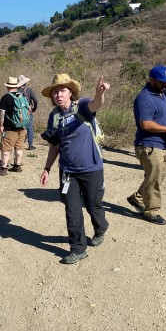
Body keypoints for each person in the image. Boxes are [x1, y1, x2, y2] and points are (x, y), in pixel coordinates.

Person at [39, 74, 110, 265]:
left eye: (62, 90)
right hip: (68, 171)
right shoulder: (54, 116)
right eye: (55, 92)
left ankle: (101, 227)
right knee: (72, 210)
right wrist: (47, 168)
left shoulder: (82, 106)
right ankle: (78, 249)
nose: (58, 94)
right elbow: (54, 145)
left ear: (70, 92)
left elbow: (96, 104)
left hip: (92, 167)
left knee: (93, 203)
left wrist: (99, 93)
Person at [127, 65, 166, 225]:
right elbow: (146, 124)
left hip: (160, 145)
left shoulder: (161, 94)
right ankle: (151, 211)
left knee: (158, 176)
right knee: (154, 178)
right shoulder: (145, 98)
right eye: (162, 82)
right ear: (152, 80)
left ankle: (137, 197)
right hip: (148, 145)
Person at [0, 77, 29, 175]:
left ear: (8, 86)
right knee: (19, 147)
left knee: (6, 148)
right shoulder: (23, 96)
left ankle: (3, 168)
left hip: (9, 128)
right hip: (22, 127)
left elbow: (1, 113)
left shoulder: (5, 98)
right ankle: (17, 166)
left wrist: (1, 125)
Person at [17, 74, 39, 150]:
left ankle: (18, 144)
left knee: (19, 128)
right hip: (28, 111)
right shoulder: (29, 90)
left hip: (18, 112)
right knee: (29, 128)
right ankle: (30, 145)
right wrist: (34, 108)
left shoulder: (16, 91)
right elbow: (35, 100)